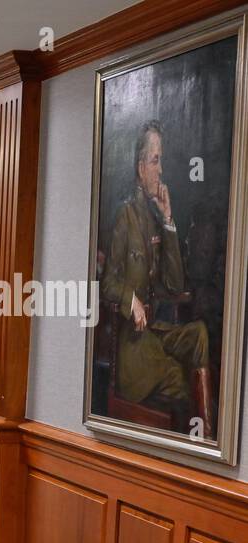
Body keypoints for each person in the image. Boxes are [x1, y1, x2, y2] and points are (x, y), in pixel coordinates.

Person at [100, 120, 212, 434]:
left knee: (199, 333)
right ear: (140, 168)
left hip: (154, 333)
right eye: (155, 160)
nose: (160, 170)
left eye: (160, 160)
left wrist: (169, 221)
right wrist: (130, 298)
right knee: (179, 377)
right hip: (133, 350)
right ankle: (203, 441)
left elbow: (174, 284)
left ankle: (209, 433)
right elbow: (107, 282)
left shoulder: (153, 217)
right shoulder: (126, 217)